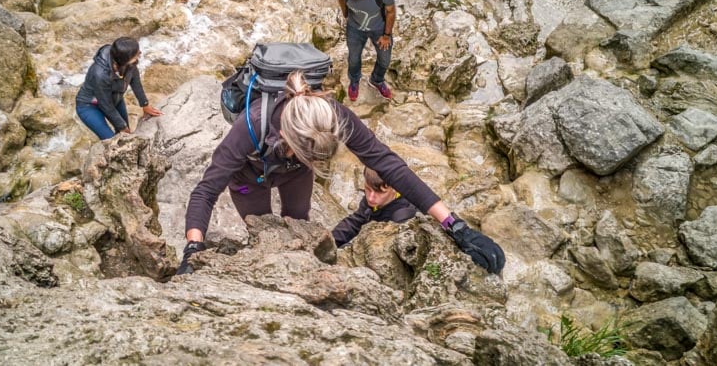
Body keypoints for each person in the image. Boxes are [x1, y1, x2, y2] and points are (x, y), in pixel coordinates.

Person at [177, 71, 504, 275]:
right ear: (288, 139)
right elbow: (206, 190)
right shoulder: (248, 130)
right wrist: (193, 249)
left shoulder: (330, 114)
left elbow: (389, 164)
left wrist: (454, 225)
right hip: (249, 178)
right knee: (260, 225)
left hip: (295, 172)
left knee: (298, 222)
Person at [331, 167, 505, 274]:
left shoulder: (405, 213)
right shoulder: (373, 201)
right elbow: (355, 221)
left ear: (395, 187)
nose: (371, 197)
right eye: (367, 190)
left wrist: (459, 229)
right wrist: (329, 241)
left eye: (378, 193)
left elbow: (431, 209)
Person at [75, 37, 162, 140]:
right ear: (124, 59)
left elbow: (135, 82)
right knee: (111, 139)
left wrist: (145, 105)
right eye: (137, 53)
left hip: (115, 98)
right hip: (89, 105)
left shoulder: (129, 64)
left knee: (125, 134)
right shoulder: (99, 74)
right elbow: (105, 104)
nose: (140, 53)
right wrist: (122, 126)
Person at [337, 0, 396, 102]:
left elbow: (391, 12)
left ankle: (377, 80)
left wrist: (386, 35)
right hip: (355, 28)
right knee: (353, 58)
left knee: (385, 59)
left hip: (379, 29)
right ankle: (354, 80)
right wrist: (345, 13)